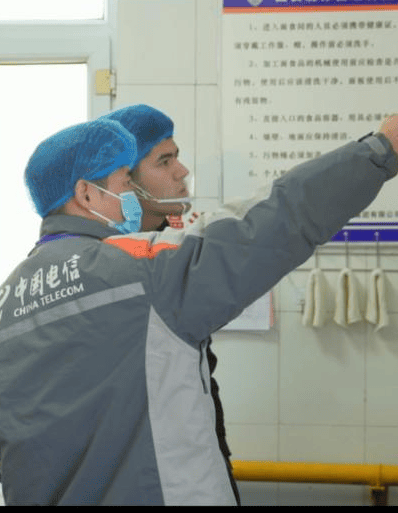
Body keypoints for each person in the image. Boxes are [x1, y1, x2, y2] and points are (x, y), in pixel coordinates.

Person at [0, 108, 398, 505]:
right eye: (124, 182)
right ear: (86, 193)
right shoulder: (139, 270)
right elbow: (273, 222)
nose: (133, 195)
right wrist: (378, 151)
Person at [99, 104, 243, 504]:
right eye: (164, 161)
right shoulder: (96, 260)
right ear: (125, 179)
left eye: (177, 157)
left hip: (197, 448)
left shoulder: (173, 247)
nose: (182, 171)